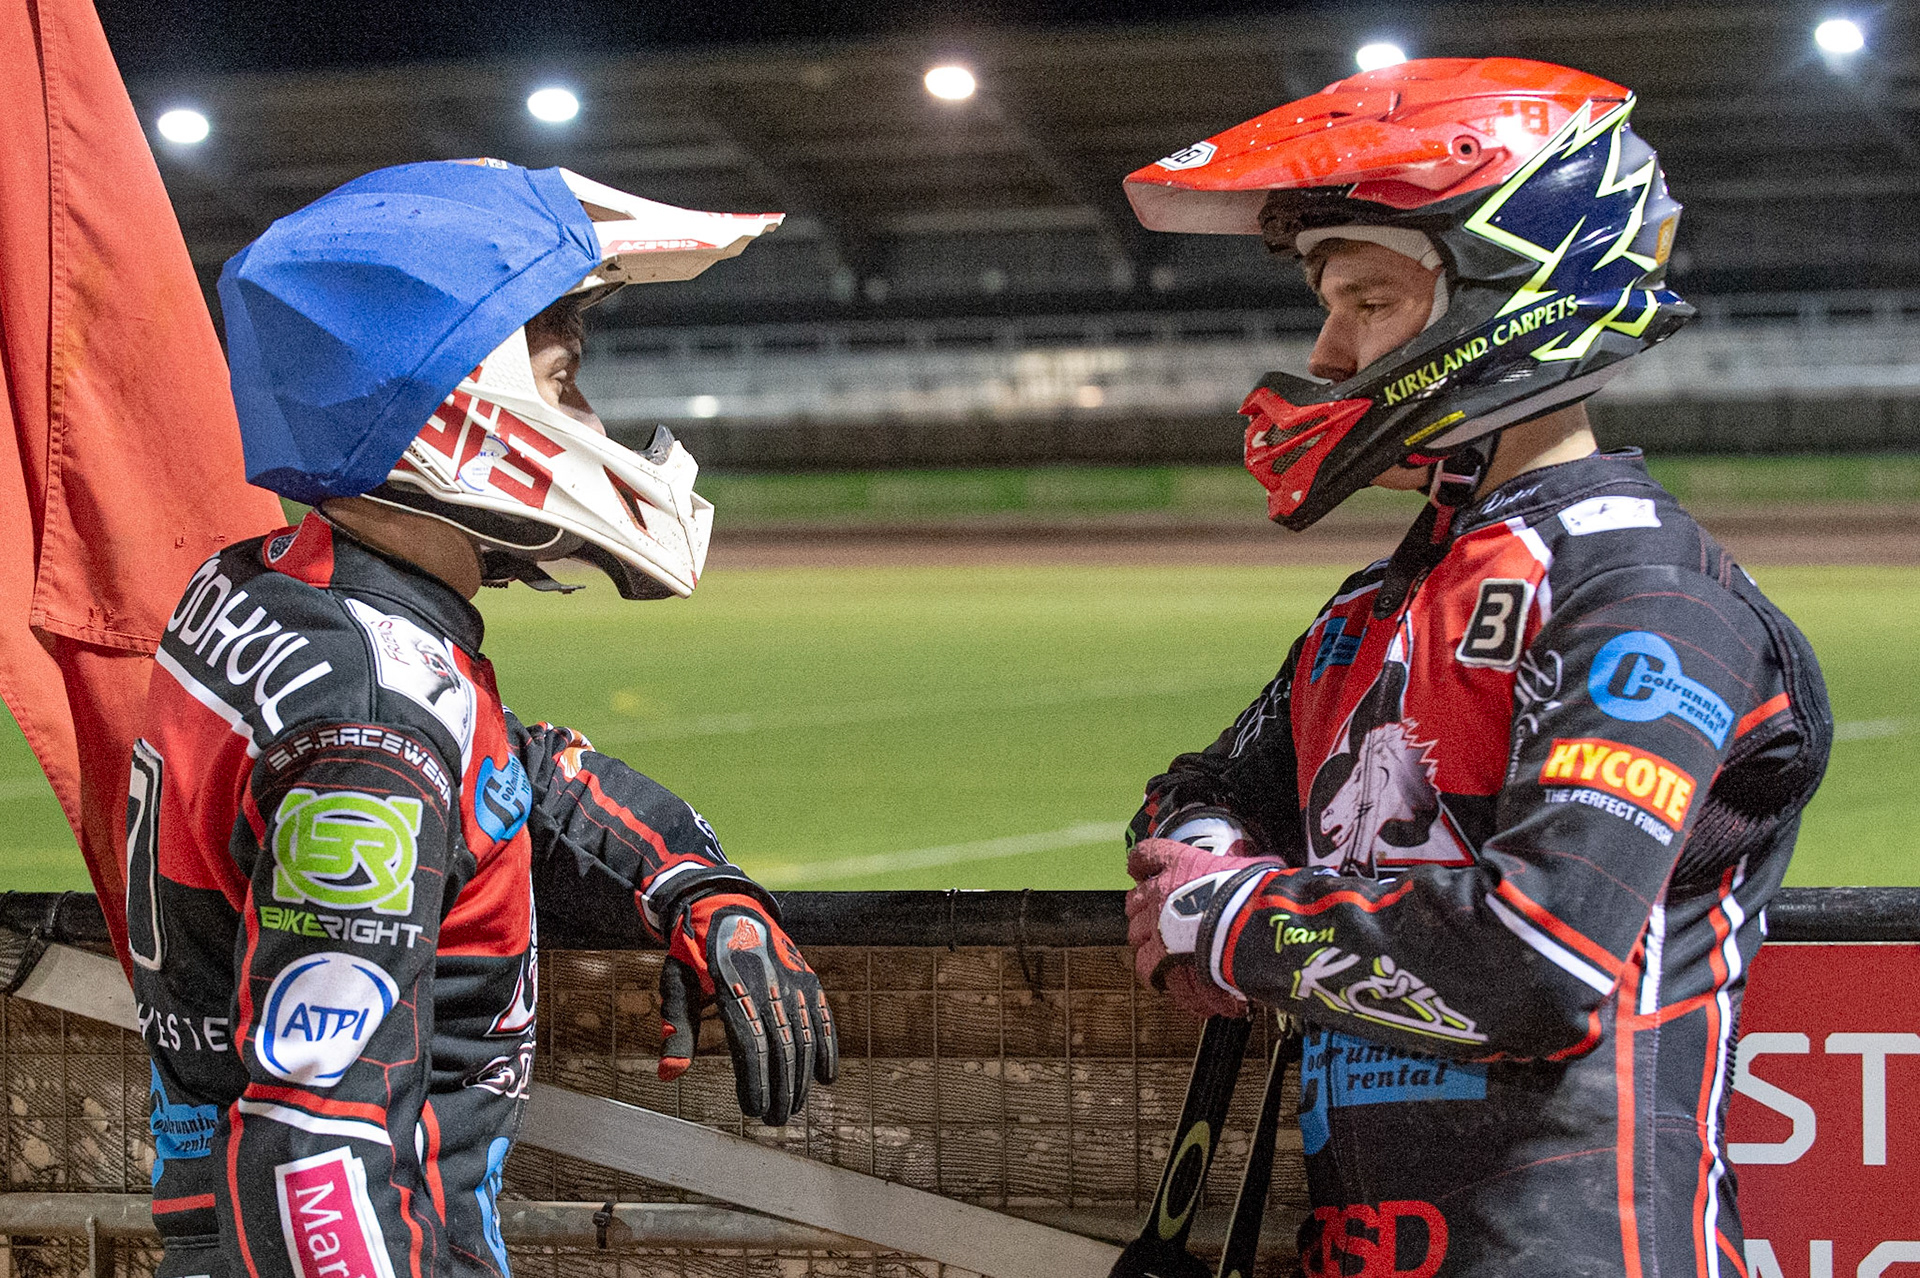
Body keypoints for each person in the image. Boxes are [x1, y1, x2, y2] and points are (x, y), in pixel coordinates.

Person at [1118, 58, 1832, 1277]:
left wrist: (1233, 922)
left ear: (1511, 295)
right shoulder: (1370, 612)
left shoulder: (1646, 597)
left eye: (1369, 301)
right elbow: (1195, 801)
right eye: (1329, 303)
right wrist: (1219, 872)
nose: (1328, 353)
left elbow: (1537, 964)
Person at [129, 159, 836, 1278]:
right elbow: (315, 1143)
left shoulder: (280, 592)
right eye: (563, 382)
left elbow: (514, 780)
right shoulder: (370, 734)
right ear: (453, 410)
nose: (590, 420)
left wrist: (689, 883)